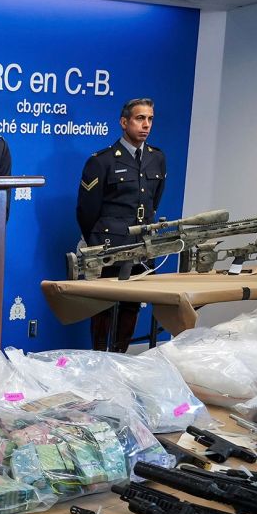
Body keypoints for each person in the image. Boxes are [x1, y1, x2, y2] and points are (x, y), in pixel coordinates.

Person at [76, 97, 167, 352]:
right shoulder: (102, 161)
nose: (146, 125)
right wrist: (99, 243)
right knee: (104, 309)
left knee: (130, 308)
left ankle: (119, 359)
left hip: (141, 246)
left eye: (149, 119)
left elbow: (153, 201)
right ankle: (100, 362)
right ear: (124, 122)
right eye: (140, 118)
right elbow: (86, 211)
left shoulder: (157, 159)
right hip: (108, 248)